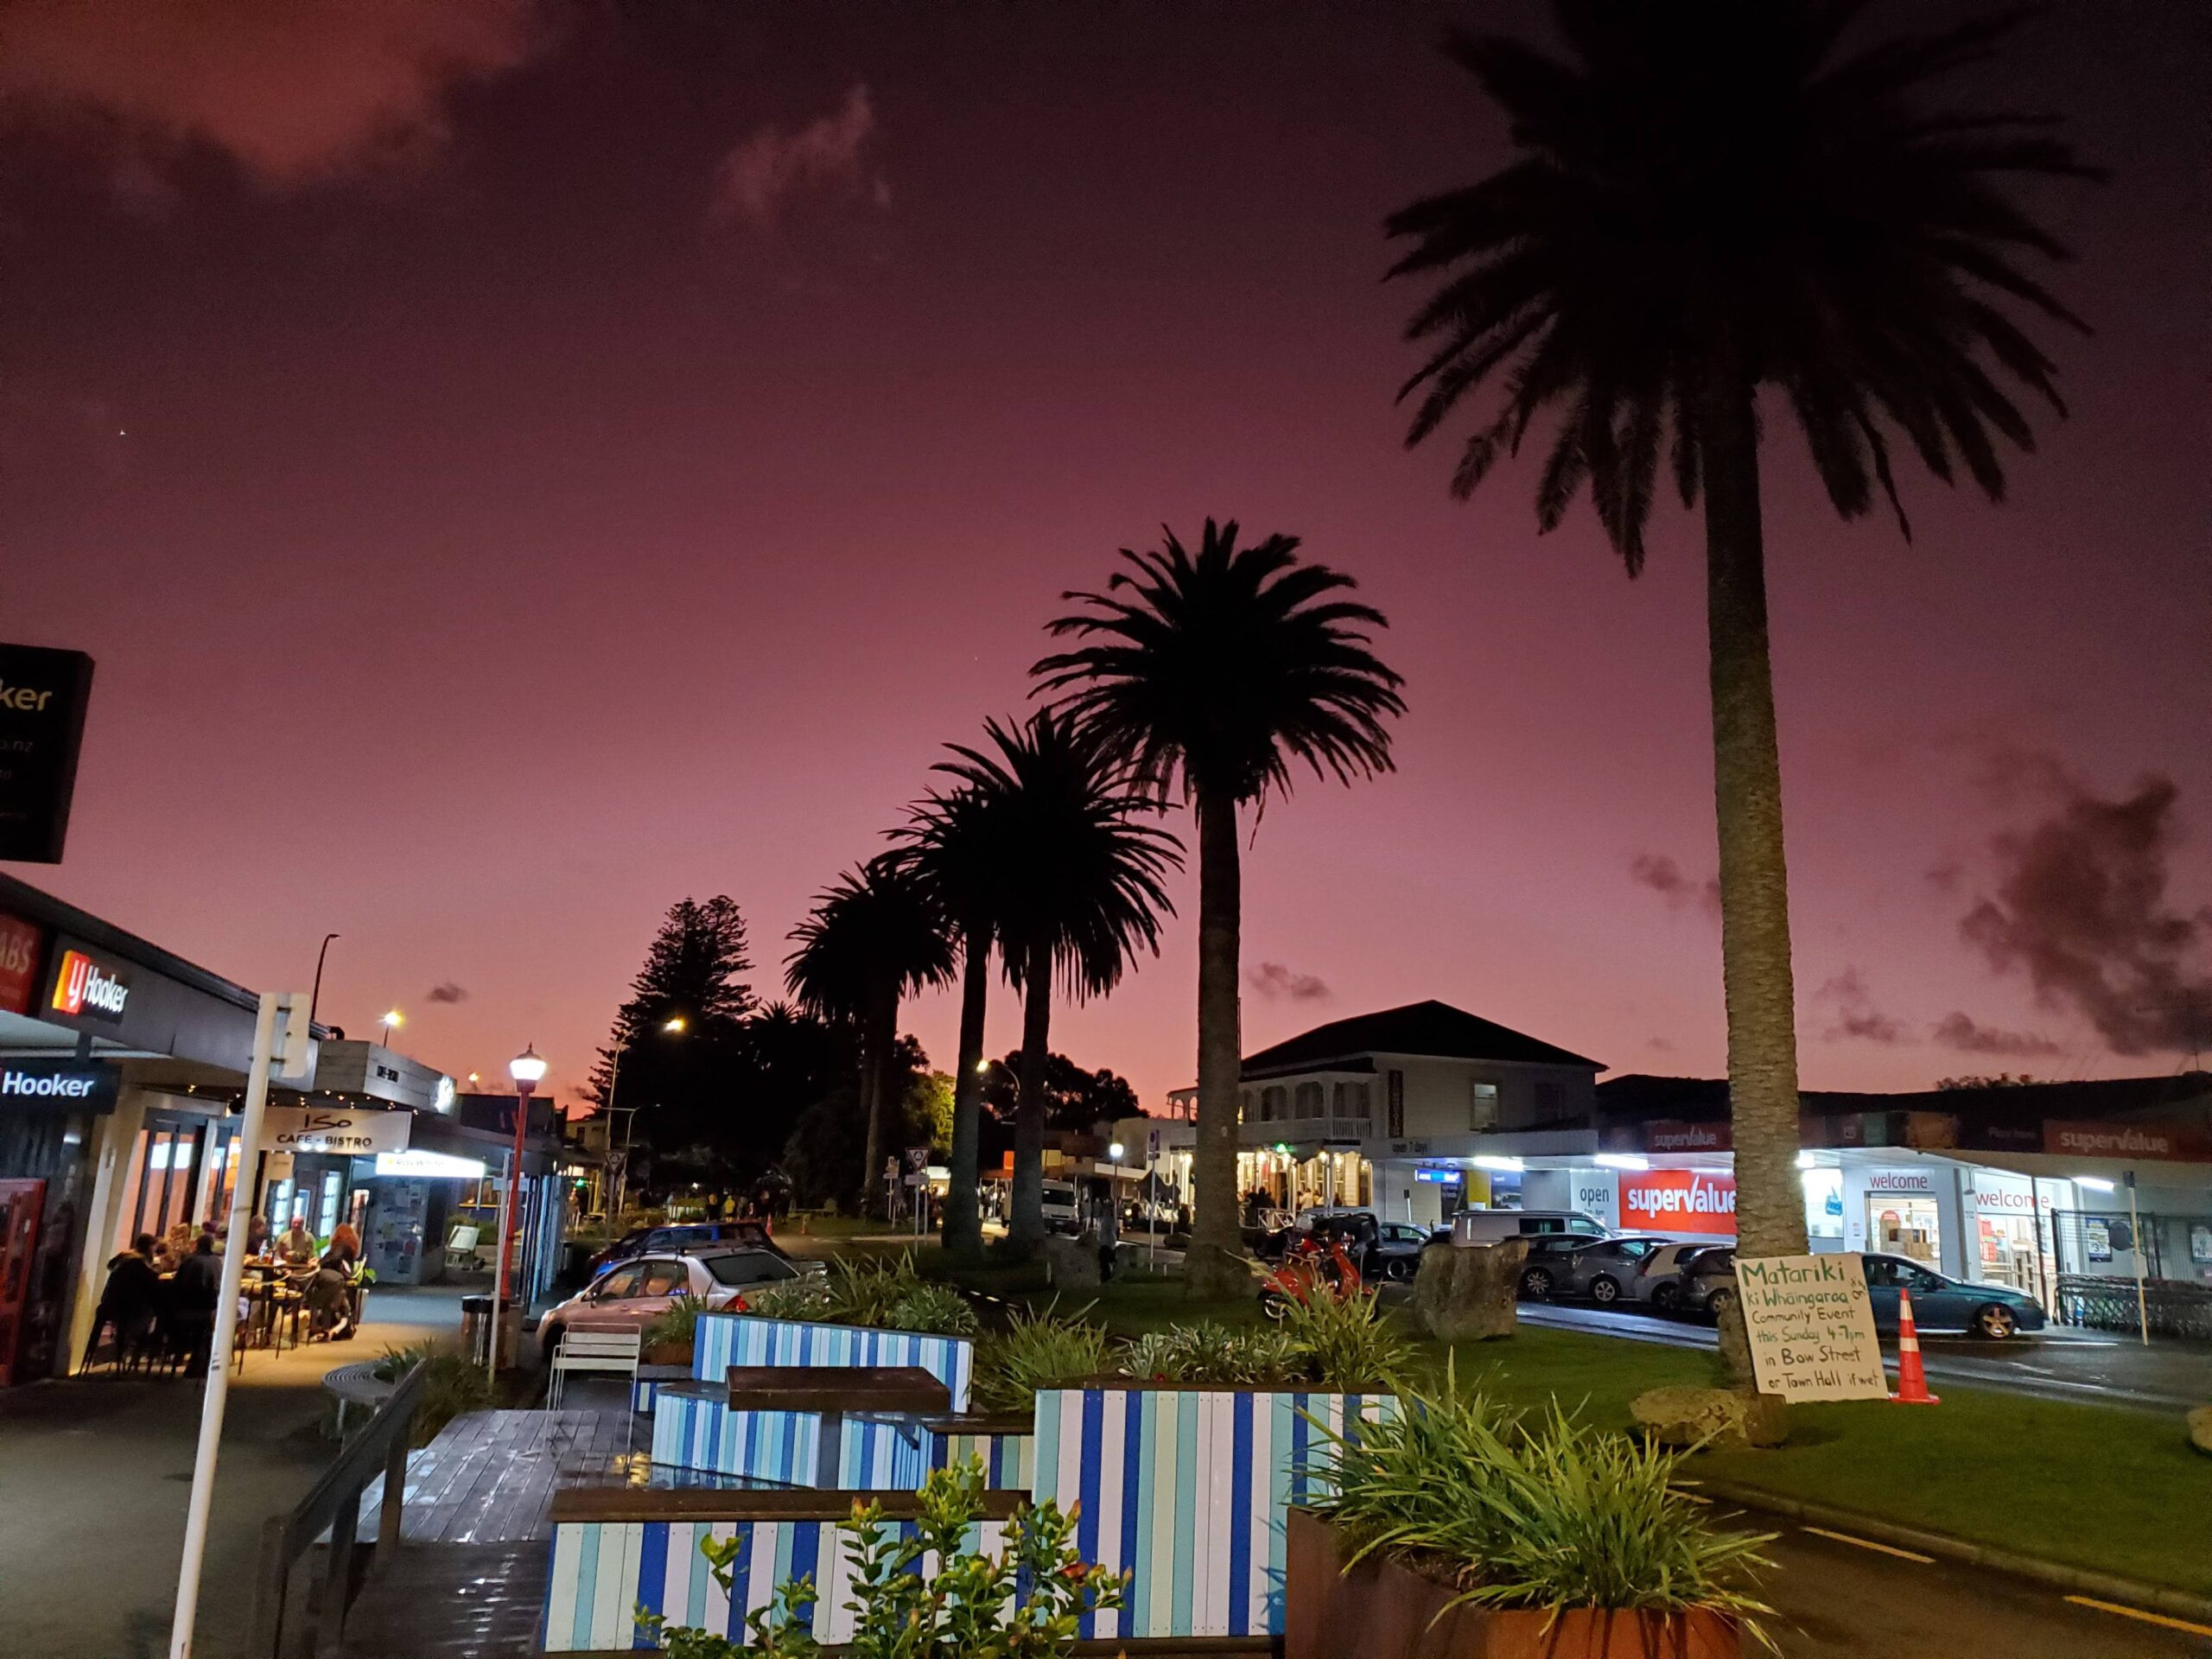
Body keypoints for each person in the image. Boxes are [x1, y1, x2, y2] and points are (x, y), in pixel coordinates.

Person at [87, 1235, 162, 1368]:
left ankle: (121, 1345)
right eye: (154, 1248)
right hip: (127, 1307)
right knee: (150, 1313)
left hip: (107, 1305)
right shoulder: (141, 1263)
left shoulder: (125, 1256)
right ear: (150, 1247)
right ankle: (134, 1349)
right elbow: (152, 1283)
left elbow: (110, 1265)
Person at [170, 1234, 223, 1374]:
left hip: (185, 1308)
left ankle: (178, 1353)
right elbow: (217, 1286)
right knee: (203, 1331)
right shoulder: (216, 1262)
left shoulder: (189, 1261)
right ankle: (199, 1362)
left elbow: (176, 1284)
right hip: (207, 1308)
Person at [308, 1224, 359, 1339]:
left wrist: (319, 1263)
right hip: (343, 1281)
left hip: (334, 1280)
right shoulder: (349, 1247)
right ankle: (326, 1330)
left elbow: (333, 1257)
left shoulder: (340, 1245)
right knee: (328, 1302)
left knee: (315, 1297)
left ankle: (314, 1325)